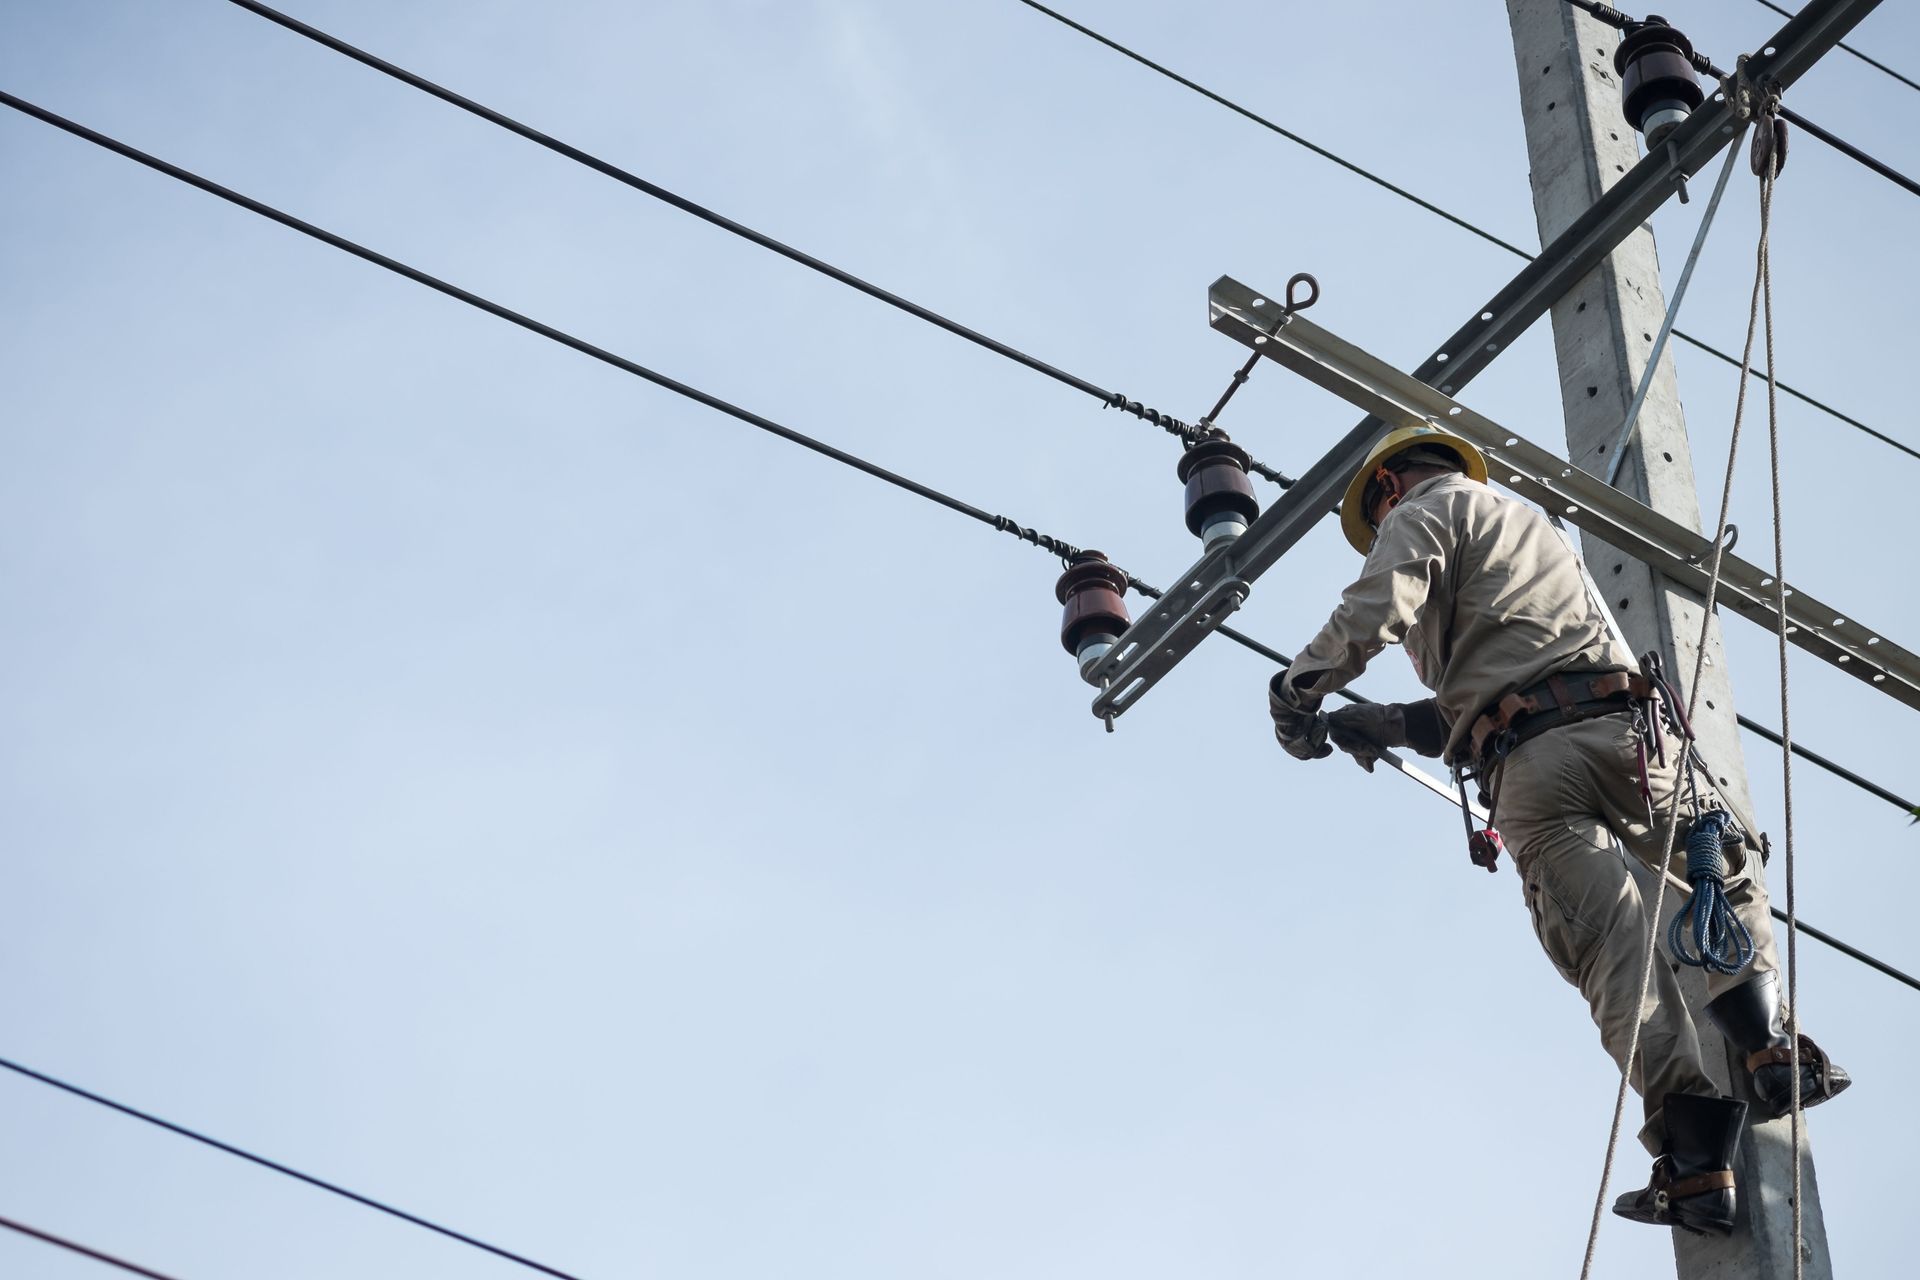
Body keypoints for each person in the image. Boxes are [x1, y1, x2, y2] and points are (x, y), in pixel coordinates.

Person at [1266, 425, 1850, 1236]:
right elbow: (1499, 680)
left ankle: (1697, 1170)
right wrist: (1391, 723)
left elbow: (1380, 608)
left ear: (1391, 487)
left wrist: (1298, 690)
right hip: (1629, 740)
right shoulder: (1534, 529)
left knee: (1616, 957)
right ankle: (1767, 1046)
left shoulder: (1425, 511)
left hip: (1533, 779)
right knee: (1722, 866)